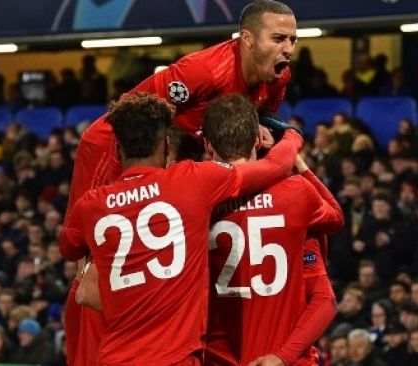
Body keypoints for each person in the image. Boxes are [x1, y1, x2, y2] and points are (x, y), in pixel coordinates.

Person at [63, 1, 297, 363]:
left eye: (293, 40)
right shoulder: (202, 72)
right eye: (279, 38)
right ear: (247, 39)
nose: (288, 49)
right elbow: (128, 122)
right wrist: (112, 198)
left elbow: (249, 127)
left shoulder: (278, 77)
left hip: (177, 154)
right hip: (110, 149)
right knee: (93, 275)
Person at [203, 94, 343, 366]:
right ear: (256, 140)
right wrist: (298, 163)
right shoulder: (297, 194)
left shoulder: (191, 201)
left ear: (208, 145)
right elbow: (324, 298)